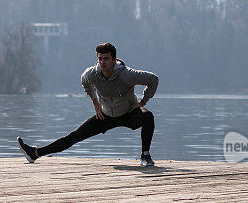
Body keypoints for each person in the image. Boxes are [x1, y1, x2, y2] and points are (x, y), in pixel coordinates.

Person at [17, 42, 159, 166]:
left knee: (148, 117)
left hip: (128, 113)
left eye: (106, 59)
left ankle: (145, 155)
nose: (102, 62)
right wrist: (95, 103)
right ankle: (35, 153)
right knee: (73, 136)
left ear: (114, 60)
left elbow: (153, 79)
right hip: (105, 116)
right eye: (100, 59)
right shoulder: (91, 74)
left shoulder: (126, 75)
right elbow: (85, 83)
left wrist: (143, 101)